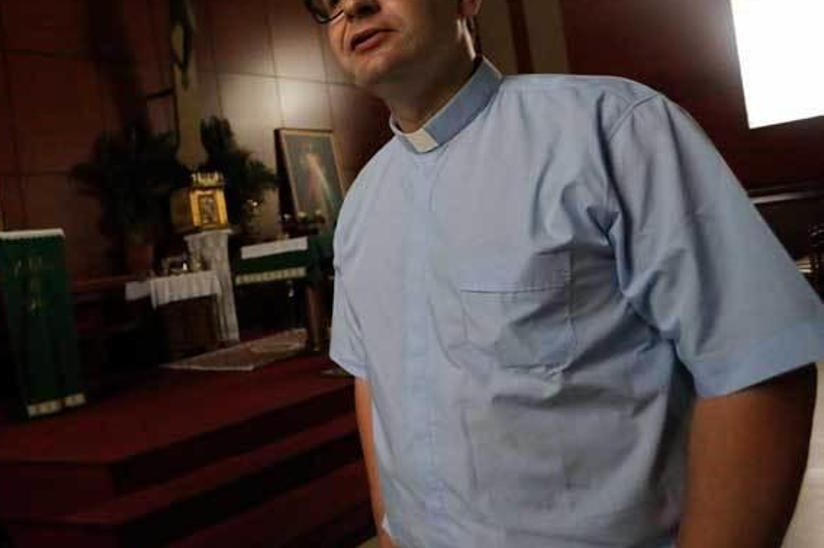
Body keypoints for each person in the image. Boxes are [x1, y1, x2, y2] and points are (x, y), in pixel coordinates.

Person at [310, 1, 823, 547]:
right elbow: (373, 380)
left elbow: (758, 364)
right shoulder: (363, 203)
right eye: (328, 0)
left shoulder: (613, 128)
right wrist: (390, 531)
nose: (353, 7)